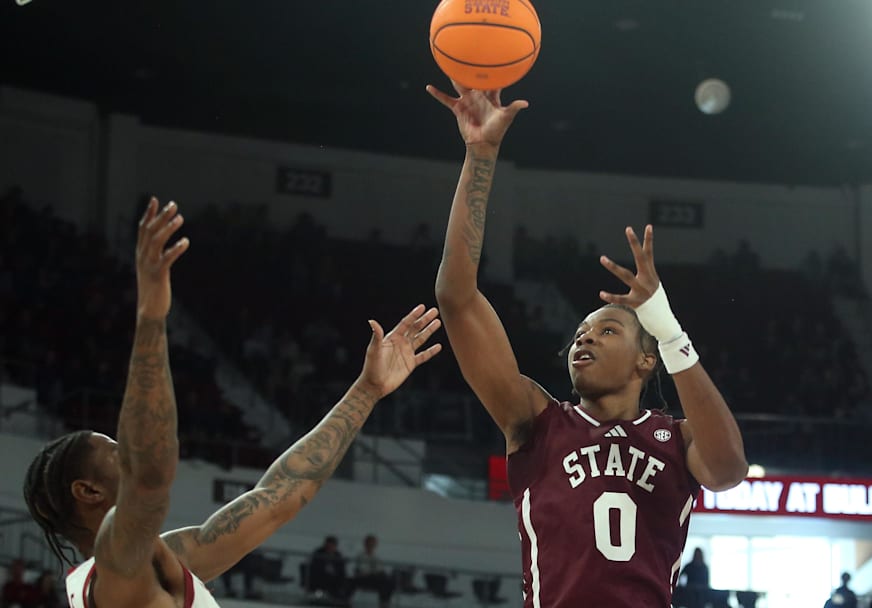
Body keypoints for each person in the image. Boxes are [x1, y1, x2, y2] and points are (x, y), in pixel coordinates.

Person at [22, 198, 443, 608]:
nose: (127, 453)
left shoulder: (163, 559)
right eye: (117, 453)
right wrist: (151, 316)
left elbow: (279, 495)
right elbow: (149, 475)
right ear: (88, 490)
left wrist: (366, 392)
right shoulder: (113, 578)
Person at [427, 82, 748, 607]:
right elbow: (455, 298)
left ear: (648, 359)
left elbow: (729, 472)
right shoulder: (535, 420)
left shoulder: (678, 439)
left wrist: (668, 330)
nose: (585, 339)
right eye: (580, 333)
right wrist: (480, 155)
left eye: (607, 331)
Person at [353, 534, 395, 608]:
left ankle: (385, 602)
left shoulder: (375, 556)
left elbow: (380, 568)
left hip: (376, 578)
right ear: (365, 544)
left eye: (373, 544)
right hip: (365, 579)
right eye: (370, 544)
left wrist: (376, 571)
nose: (371, 546)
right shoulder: (360, 556)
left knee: (389, 581)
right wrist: (375, 571)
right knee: (384, 580)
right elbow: (363, 571)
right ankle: (384, 603)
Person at [308, 536, 348, 600]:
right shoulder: (319, 553)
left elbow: (341, 570)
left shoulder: (338, 555)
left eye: (332, 546)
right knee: (322, 581)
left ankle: (340, 599)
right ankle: (319, 598)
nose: (329, 548)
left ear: (335, 546)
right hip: (320, 577)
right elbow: (315, 568)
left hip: (334, 578)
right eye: (328, 546)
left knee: (344, 582)